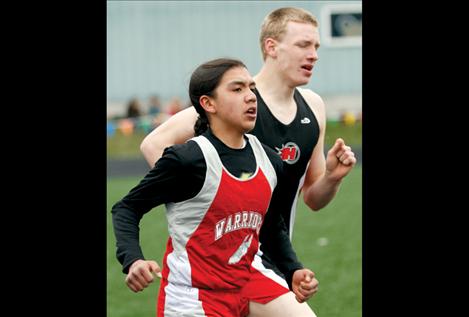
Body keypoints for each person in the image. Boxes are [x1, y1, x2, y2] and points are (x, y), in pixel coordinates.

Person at [139, 7, 356, 316]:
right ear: (271, 47)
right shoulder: (235, 100)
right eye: (303, 45)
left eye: (317, 47)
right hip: (224, 262)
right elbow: (154, 143)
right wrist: (205, 197)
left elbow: (313, 199)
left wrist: (333, 177)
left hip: (276, 259)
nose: (314, 55)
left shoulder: (314, 107)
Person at [112, 58, 313, 317]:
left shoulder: (270, 160)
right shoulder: (187, 159)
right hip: (193, 296)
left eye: (251, 88)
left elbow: (272, 226)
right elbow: (127, 208)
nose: (251, 97)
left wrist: (293, 269)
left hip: (247, 281)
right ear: (208, 103)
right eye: (237, 89)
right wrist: (133, 260)